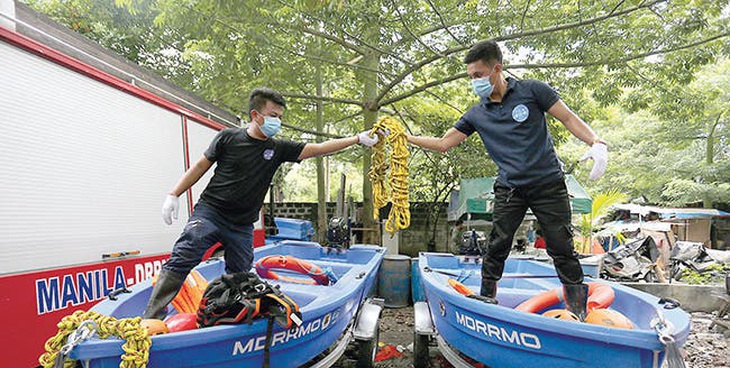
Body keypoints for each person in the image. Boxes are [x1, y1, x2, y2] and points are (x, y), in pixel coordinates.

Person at [404, 40, 607, 319]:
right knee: (497, 244)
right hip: (510, 188)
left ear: (496, 69)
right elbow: (443, 143)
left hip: (548, 183)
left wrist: (596, 142)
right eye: (470, 77)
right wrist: (403, 138)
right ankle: (487, 298)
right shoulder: (477, 113)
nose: (474, 82)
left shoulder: (533, 91)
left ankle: (577, 310)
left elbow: (569, 118)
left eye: (478, 75)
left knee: (561, 246)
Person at [143, 87, 380, 320]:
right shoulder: (228, 138)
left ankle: (231, 315)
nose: (278, 121)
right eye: (273, 116)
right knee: (186, 251)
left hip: (242, 225)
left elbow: (317, 149)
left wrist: (357, 138)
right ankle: (152, 317)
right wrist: (174, 194)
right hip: (211, 213)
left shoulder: (277, 148)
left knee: (241, 275)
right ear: (256, 115)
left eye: (280, 117)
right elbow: (200, 167)